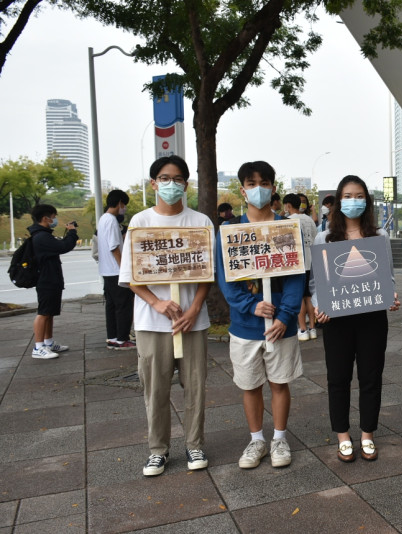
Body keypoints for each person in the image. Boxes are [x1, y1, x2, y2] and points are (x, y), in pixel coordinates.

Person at [119, 155, 213, 477]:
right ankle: (157, 450)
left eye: (176, 179)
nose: (170, 184)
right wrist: (156, 302)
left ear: (186, 184)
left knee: (196, 386)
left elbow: (208, 276)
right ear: (153, 183)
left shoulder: (201, 222)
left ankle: (194, 444)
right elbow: (131, 276)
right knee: (155, 389)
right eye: (164, 177)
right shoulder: (140, 223)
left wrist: (195, 308)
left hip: (192, 321)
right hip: (151, 323)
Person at [216, 161, 304, 470]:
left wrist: (285, 315)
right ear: (242, 190)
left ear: (273, 188)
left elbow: (296, 277)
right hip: (245, 326)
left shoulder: (286, 227)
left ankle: (279, 438)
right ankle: (257, 440)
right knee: (249, 385)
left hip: (281, 325)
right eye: (251, 184)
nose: (258, 189)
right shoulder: (228, 230)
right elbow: (224, 277)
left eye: (264, 183)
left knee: (280, 383)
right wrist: (249, 305)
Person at [312, 175, 400, 462]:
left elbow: (386, 277)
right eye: (347, 196)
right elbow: (315, 283)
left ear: (367, 200)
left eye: (359, 195)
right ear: (338, 201)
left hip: (372, 317)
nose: (353, 201)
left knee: (371, 377)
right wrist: (318, 305)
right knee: (337, 378)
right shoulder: (324, 237)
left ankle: (367, 434)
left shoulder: (379, 236)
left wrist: (392, 297)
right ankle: (342, 435)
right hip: (336, 319)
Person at [28, 204, 78, 359]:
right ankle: (38, 347)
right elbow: (63, 247)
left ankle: (48, 342)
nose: (54, 219)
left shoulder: (43, 234)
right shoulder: (41, 236)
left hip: (51, 278)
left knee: (49, 312)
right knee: (43, 313)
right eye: (53, 217)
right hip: (46, 279)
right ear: (45, 218)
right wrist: (72, 232)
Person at [98, 190, 136, 350]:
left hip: (106, 271)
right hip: (116, 271)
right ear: (119, 203)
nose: (124, 208)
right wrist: (124, 269)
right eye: (124, 204)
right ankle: (122, 339)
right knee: (124, 306)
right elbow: (114, 247)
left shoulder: (102, 219)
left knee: (111, 306)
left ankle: (112, 337)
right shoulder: (112, 220)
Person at [282, 193, 318, 341]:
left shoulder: (287, 221)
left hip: (297, 263)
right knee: (309, 296)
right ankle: (313, 328)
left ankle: (302, 329)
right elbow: (316, 239)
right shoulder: (309, 219)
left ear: (288, 205)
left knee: (299, 297)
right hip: (311, 261)